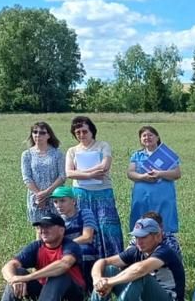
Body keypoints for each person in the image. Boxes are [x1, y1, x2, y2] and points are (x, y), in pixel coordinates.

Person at [75, 217, 184, 301]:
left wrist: (110, 282)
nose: (139, 241)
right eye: (136, 237)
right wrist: (97, 280)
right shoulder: (137, 250)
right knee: (109, 269)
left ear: (157, 236)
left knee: (141, 276)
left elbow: (140, 269)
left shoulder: (165, 251)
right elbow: (102, 262)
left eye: (143, 237)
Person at [0, 214, 86, 301]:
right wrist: (14, 279)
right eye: (40, 227)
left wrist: (28, 277)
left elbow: (64, 265)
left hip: (71, 295)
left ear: (61, 230)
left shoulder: (71, 246)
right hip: (43, 291)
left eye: (48, 227)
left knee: (60, 275)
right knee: (18, 271)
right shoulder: (37, 246)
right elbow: (8, 266)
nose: (43, 230)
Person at [65, 115, 124, 261]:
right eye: (77, 132)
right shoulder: (72, 151)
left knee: (106, 227)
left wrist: (81, 173)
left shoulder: (103, 145)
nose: (81, 135)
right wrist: (91, 174)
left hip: (102, 193)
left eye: (84, 131)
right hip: (81, 194)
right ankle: (88, 259)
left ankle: (113, 261)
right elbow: (69, 173)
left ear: (92, 131)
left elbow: (105, 166)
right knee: (86, 228)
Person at [127, 125, 181, 234]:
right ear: (141, 140)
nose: (147, 138)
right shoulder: (137, 155)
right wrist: (143, 177)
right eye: (144, 136)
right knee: (142, 224)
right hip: (142, 196)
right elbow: (130, 173)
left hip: (163, 195)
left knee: (164, 224)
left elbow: (177, 173)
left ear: (157, 137)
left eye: (150, 135)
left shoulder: (167, 154)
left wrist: (160, 174)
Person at [20, 120, 65, 226]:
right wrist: (39, 196)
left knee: (56, 229)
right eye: (35, 132)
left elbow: (63, 176)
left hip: (55, 197)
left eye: (42, 132)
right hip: (36, 198)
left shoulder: (57, 153)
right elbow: (27, 177)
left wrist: (47, 192)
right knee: (40, 230)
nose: (38, 135)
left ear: (49, 135)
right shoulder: (27, 154)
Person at [51, 185, 96, 284]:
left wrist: (67, 245)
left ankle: (88, 287)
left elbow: (87, 237)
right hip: (64, 251)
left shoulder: (85, 213)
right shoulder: (56, 220)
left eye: (62, 201)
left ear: (73, 201)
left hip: (83, 251)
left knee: (84, 250)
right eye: (55, 202)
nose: (59, 205)